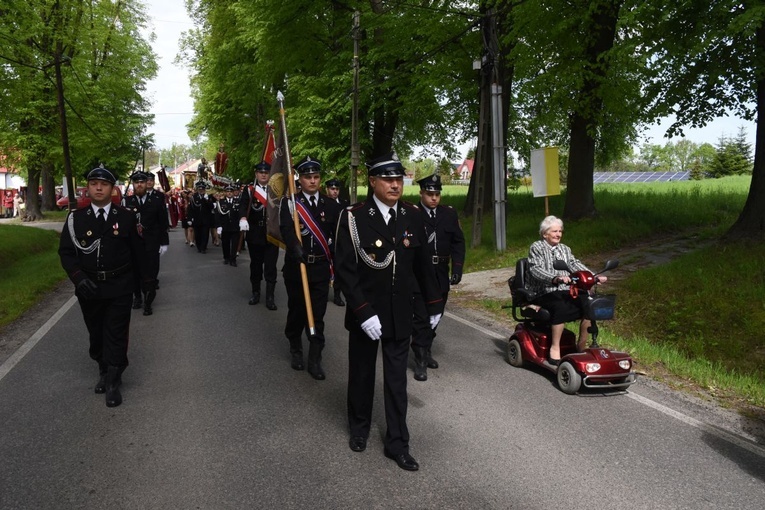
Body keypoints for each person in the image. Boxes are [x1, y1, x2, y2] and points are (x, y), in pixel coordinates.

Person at [334, 152, 444, 471]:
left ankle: (398, 443)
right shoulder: (354, 217)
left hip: (399, 312)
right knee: (362, 375)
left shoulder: (412, 215)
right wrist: (363, 311)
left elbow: (423, 265)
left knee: (397, 382)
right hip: (365, 313)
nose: (395, 185)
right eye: (388, 179)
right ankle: (359, 429)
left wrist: (434, 303)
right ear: (373, 182)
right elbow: (345, 270)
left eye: (399, 179)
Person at [58, 166, 143, 407]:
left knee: (116, 333)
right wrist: (78, 278)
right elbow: (66, 252)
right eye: (93, 183)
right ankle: (103, 369)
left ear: (112, 188)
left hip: (119, 285)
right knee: (96, 334)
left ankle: (114, 380)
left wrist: (143, 283)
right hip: (89, 287)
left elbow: (138, 253)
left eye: (103, 184)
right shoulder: (76, 219)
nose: (98, 187)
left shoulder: (126, 217)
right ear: (87, 187)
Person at [279, 156, 341, 380]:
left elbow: (336, 238)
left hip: (321, 268)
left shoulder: (331, 206)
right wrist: (294, 247)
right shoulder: (290, 204)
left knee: (318, 315)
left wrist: (339, 270)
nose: (312, 181)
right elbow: (286, 229)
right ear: (300, 179)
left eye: (316, 177)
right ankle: (296, 348)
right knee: (297, 312)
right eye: (307, 177)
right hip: (297, 268)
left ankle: (315, 358)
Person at [526, 215, 607, 365]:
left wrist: (593, 276)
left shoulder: (564, 249)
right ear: (545, 234)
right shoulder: (537, 247)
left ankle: (581, 346)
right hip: (544, 290)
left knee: (589, 305)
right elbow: (535, 269)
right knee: (561, 306)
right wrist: (555, 278)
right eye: (554, 231)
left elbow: (574, 264)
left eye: (560, 231)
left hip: (565, 290)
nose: (558, 234)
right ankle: (555, 348)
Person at [410, 174, 466, 381]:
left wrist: (457, 269)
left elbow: (458, 243)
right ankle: (420, 358)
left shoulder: (448, 214)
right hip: (420, 274)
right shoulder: (412, 214)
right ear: (421, 194)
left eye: (437, 194)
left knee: (437, 314)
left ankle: (426, 347)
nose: (434, 198)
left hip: (441, 271)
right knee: (422, 317)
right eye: (429, 194)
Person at [122, 171, 170, 316]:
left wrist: (164, 242)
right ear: (134, 185)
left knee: (150, 273)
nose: (140, 185)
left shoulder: (156, 200)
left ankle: (148, 302)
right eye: (136, 182)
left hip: (151, 242)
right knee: (135, 273)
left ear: (146, 184)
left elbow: (162, 222)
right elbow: (122, 225)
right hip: (133, 244)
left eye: (142, 182)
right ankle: (137, 297)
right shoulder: (127, 201)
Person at [239, 161, 279, 309]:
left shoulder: (275, 190)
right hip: (255, 233)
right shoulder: (250, 190)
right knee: (256, 265)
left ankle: (270, 297)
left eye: (266, 172)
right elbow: (243, 205)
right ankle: (256, 292)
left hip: (271, 234)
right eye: (261, 172)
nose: (263, 174)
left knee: (271, 266)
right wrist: (243, 217)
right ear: (256, 174)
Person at [325, 177, 348, 307]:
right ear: (327, 189)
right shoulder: (323, 203)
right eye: (332, 189)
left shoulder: (344, 204)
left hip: (339, 241)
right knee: (325, 268)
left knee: (339, 268)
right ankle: (323, 291)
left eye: (337, 189)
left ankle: (337, 295)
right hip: (325, 241)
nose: (335, 191)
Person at [215, 185, 241, 266]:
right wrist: (218, 226)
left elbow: (240, 214)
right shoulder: (221, 202)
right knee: (225, 243)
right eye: (228, 192)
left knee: (235, 243)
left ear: (233, 193)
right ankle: (226, 257)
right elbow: (217, 215)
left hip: (235, 227)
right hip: (225, 226)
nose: (229, 193)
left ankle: (233, 259)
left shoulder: (237, 202)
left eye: (231, 192)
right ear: (225, 193)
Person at [188, 182, 216, 253]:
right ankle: (199, 246)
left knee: (205, 234)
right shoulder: (194, 197)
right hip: (197, 219)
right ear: (197, 189)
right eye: (200, 189)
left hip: (206, 219)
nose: (201, 190)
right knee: (197, 234)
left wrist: (207, 200)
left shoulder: (208, 197)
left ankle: (203, 247)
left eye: (202, 189)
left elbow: (212, 207)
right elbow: (190, 209)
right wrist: (190, 218)